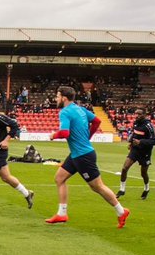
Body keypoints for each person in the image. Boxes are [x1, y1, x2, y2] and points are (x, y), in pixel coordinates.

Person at [45, 85, 129, 228]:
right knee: (59, 178)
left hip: (83, 156)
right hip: (77, 154)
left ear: (64, 98)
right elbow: (96, 121)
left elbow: (65, 133)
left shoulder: (65, 112)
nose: (56, 98)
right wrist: (88, 136)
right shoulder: (80, 109)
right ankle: (62, 213)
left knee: (97, 187)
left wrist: (53, 135)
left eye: (58, 96)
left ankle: (121, 211)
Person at [117, 107, 155, 200]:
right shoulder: (135, 123)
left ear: (144, 115)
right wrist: (131, 143)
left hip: (145, 152)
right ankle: (122, 189)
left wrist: (141, 142)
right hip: (135, 150)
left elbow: (154, 141)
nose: (137, 116)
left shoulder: (148, 126)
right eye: (136, 114)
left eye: (139, 114)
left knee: (143, 173)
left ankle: (147, 188)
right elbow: (134, 134)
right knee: (124, 168)